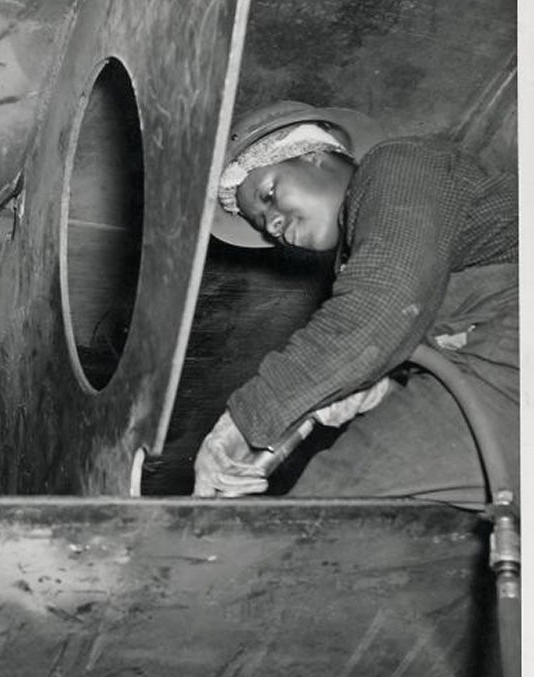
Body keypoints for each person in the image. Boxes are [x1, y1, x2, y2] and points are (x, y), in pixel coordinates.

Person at [192, 101, 518, 509]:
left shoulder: (397, 165)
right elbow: (405, 328)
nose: (272, 224)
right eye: (262, 223)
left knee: (328, 507)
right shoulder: (358, 259)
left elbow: (380, 311)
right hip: (492, 371)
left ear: (314, 153)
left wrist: (242, 422)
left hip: (508, 347)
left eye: (269, 195)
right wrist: (368, 388)